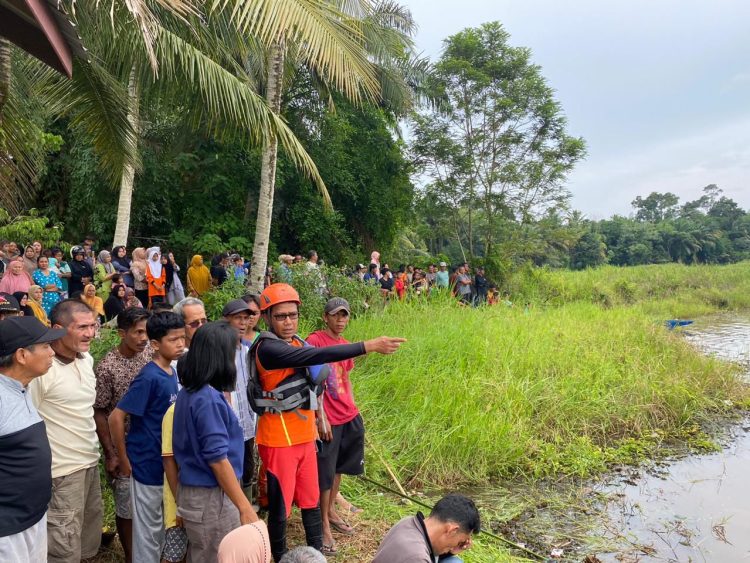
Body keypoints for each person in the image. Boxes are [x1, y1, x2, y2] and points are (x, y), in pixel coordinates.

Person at [251, 283, 405, 561]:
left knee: (311, 501)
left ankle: (316, 554)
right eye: (281, 316)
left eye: (293, 315)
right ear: (267, 318)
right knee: (280, 507)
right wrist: (368, 346)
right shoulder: (267, 349)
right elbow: (317, 355)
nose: (288, 322)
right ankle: (279, 556)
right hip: (278, 441)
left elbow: (316, 379)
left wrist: (321, 417)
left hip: (304, 439)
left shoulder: (297, 341)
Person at [173, 321, 260, 563]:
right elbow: (218, 460)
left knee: (202, 553)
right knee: (216, 555)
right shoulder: (207, 399)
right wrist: (244, 505)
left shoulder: (189, 391)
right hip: (211, 498)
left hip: (196, 493)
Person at [28, 299, 103, 563]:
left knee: (87, 544)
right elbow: (26, 422)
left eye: (93, 326)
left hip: (89, 465)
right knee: (63, 550)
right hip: (60, 474)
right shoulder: (42, 371)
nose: (90, 333)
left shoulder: (86, 359)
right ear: (58, 328)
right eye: (82, 327)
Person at [108, 312, 185, 563]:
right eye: (173, 340)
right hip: (146, 465)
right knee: (147, 535)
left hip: (164, 465)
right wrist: (124, 457)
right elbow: (116, 417)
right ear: (155, 344)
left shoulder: (171, 372)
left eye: (182, 338)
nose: (180, 344)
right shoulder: (149, 376)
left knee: (163, 527)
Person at [0, 317, 64, 563]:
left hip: (33, 517)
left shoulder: (22, 388)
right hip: (8, 531)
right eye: (45, 346)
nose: (52, 352)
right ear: (22, 356)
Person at [306, 298, 366, 555]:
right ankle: (323, 526)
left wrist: (354, 407)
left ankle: (330, 510)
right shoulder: (315, 340)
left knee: (339, 468)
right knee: (325, 473)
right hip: (327, 418)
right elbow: (312, 381)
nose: (341, 320)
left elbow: (345, 377)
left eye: (345, 316)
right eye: (336, 315)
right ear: (325, 317)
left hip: (347, 414)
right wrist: (320, 416)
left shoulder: (345, 346)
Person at [94, 307, 152, 563]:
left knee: (150, 505)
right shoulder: (108, 366)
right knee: (126, 507)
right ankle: (130, 556)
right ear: (121, 333)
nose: (143, 338)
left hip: (151, 444)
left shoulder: (150, 354)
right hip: (124, 448)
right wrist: (111, 454)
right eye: (138, 332)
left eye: (147, 332)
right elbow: (99, 411)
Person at [373, 494, 481, 563]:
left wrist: (451, 551)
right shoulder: (417, 557)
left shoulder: (408, 522)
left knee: (453, 561)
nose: (456, 545)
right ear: (452, 530)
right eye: (459, 541)